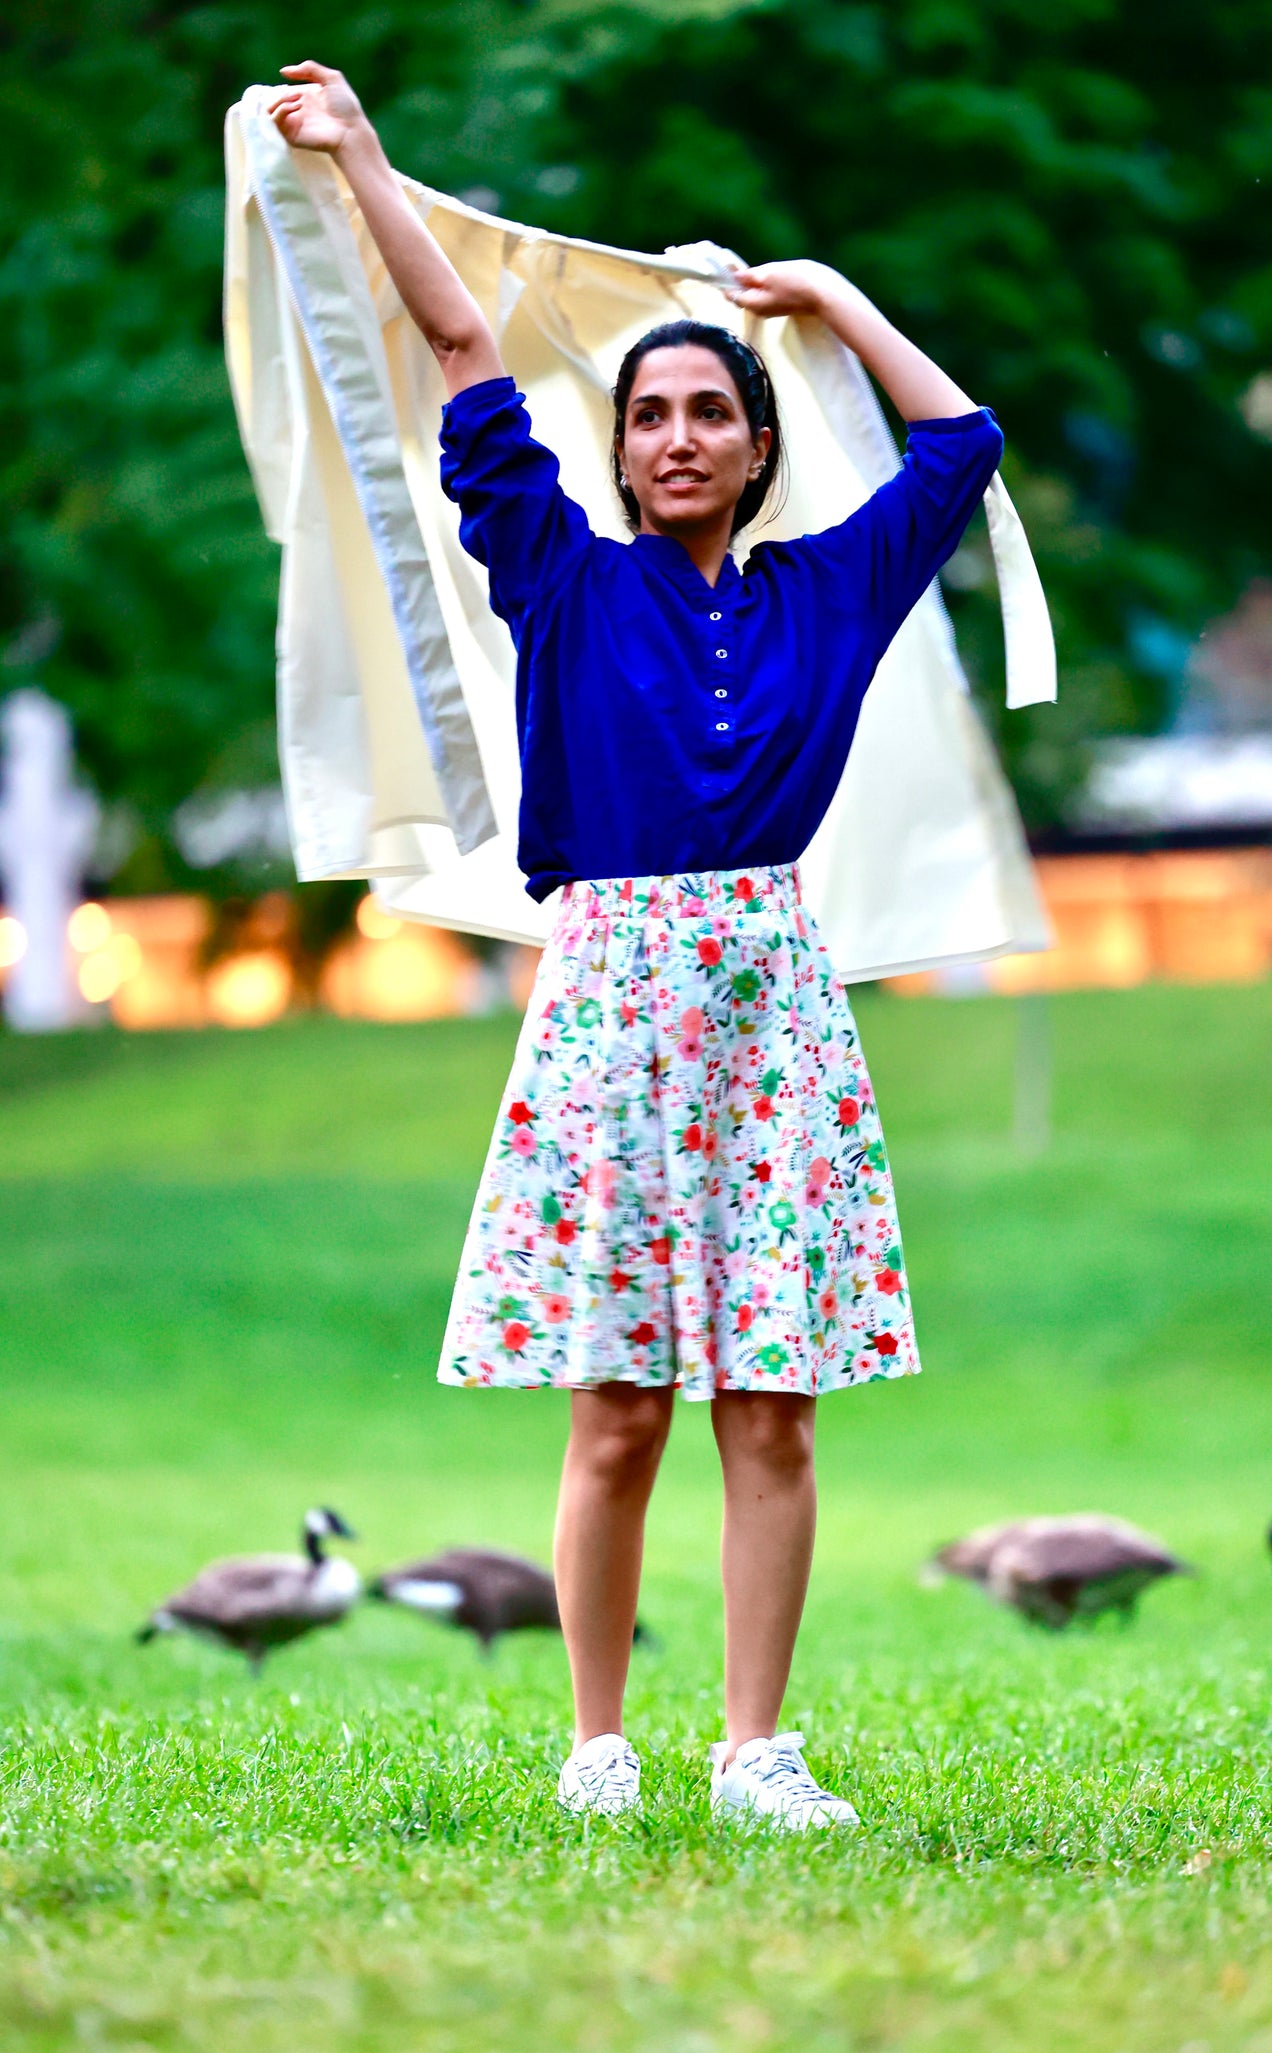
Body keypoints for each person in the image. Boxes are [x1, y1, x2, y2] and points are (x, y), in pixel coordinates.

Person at [270, 60, 1005, 1830]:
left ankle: (756, 1749)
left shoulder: (828, 589)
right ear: (618, 451)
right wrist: (366, 158)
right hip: (606, 1000)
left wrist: (820, 301)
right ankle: (597, 1746)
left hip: (770, 1006)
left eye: (708, 413)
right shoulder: (562, 580)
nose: (676, 434)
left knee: (772, 1408)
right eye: (649, 414)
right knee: (614, 1412)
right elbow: (459, 347)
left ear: (755, 447)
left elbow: (961, 445)